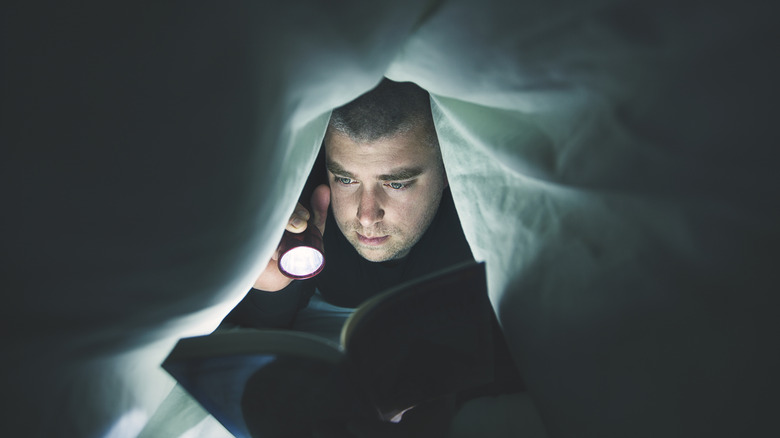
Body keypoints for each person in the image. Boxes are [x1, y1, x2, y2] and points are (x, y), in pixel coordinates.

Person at [221, 78, 517, 437]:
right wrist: (271, 289)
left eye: (396, 184)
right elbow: (259, 340)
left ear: (447, 172)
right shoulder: (308, 209)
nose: (365, 215)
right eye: (345, 179)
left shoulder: (491, 227)